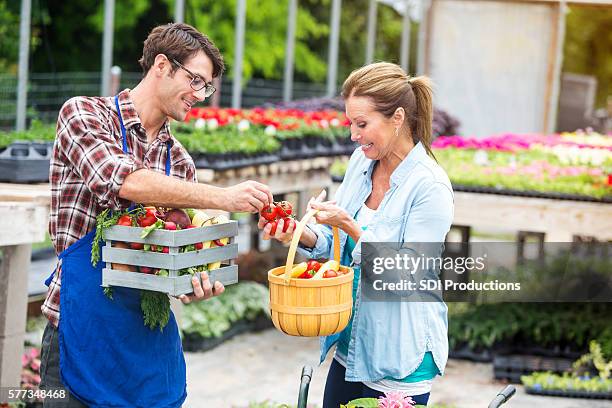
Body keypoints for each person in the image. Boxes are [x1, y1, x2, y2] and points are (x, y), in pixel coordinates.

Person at [39, 23, 273, 407]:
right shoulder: (84, 114)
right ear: (162, 65)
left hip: (147, 337)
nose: (200, 95)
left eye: (207, 87)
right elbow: (122, 181)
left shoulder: (179, 161)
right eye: (195, 80)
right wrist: (223, 197)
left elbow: (176, 265)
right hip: (77, 332)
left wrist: (196, 281)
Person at [260, 62, 454, 406]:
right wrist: (298, 234)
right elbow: (338, 248)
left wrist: (350, 224)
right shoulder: (361, 162)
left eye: (362, 124)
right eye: (351, 123)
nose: (353, 134)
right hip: (353, 345)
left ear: (397, 118)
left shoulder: (430, 186)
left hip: (399, 355)